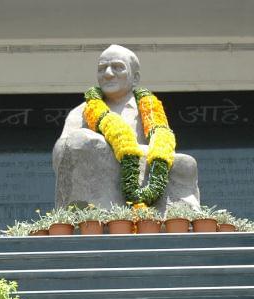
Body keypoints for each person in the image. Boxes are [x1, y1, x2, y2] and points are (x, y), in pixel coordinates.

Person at [52, 44, 200, 210]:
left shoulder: (150, 112)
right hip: (97, 184)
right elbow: (62, 154)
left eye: (117, 67)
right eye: (102, 68)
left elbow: (162, 151)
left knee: (186, 163)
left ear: (135, 78)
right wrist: (100, 148)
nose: (107, 74)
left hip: (145, 182)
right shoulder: (83, 112)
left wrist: (135, 153)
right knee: (83, 139)